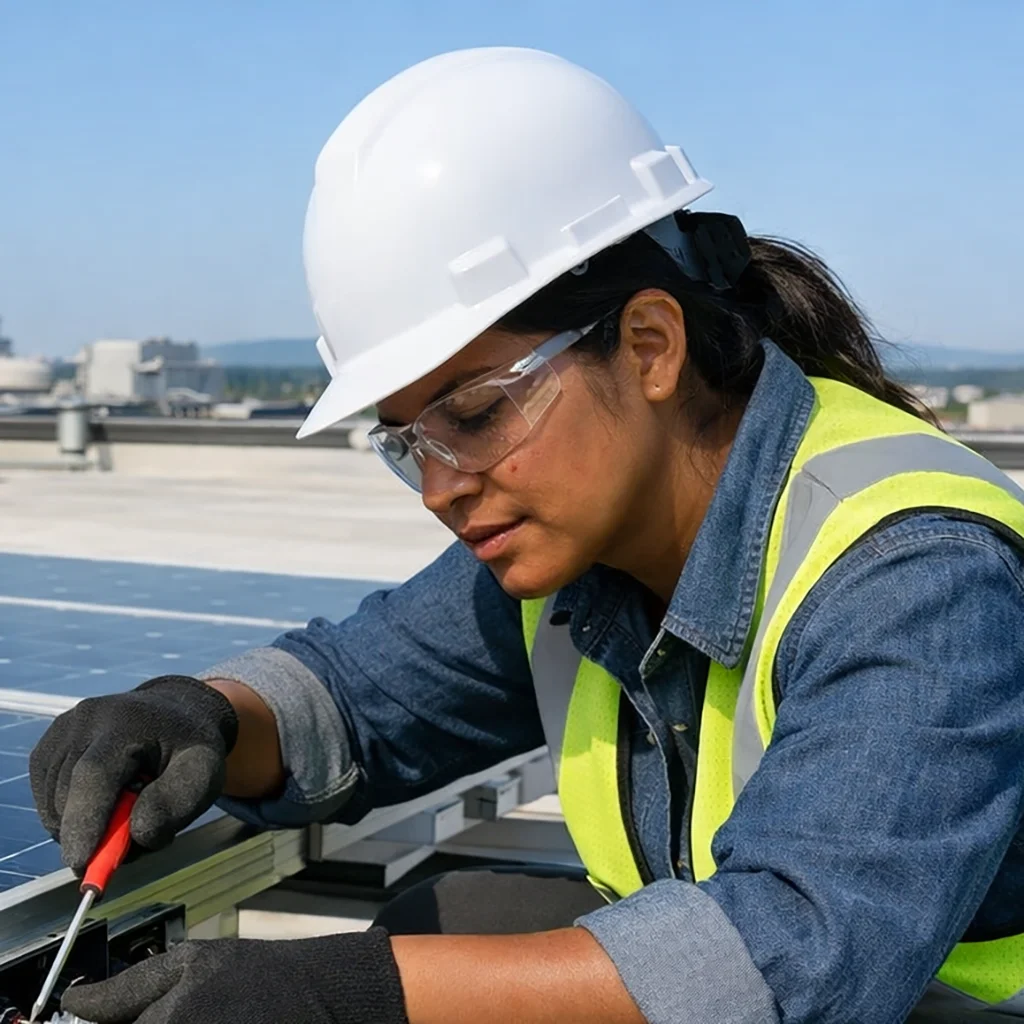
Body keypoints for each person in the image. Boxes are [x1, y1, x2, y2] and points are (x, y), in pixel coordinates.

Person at [28, 47, 1024, 1024]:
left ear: (649, 345)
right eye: (407, 441)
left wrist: (339, 997)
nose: (440, 489)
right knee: (451, 923)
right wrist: (197, 718)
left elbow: (794, 963)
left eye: (474, 413)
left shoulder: (910, 569)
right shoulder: (575, 548)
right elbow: (357, 691)